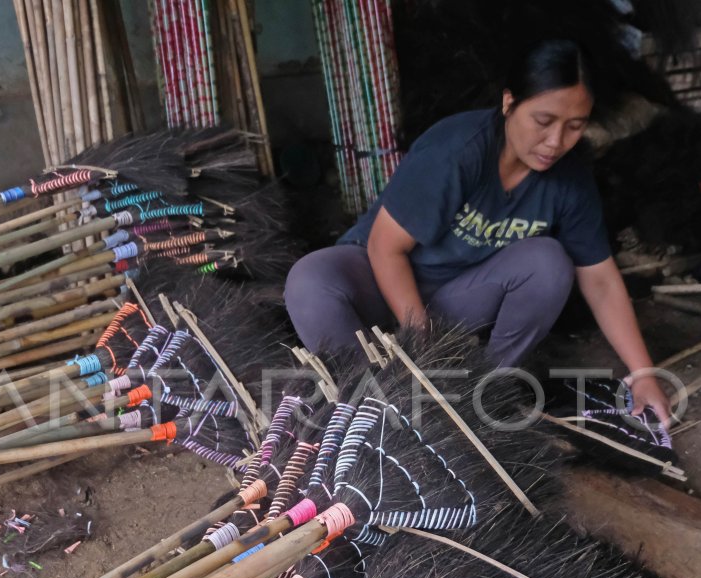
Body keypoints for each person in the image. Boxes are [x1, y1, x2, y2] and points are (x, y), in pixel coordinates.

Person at [285, 39, 673, 425]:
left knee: (549, 262)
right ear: (509, 103)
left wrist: (642, 373)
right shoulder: (457, 150)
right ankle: (370, 402)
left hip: (455, 297)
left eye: (575, 126)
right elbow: (385, 248)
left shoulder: (570, 183)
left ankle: (484, 394)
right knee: (310, 280)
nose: (556, 142)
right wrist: (423, 347)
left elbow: (601, 280)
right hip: (375, 281)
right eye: (543, 121)